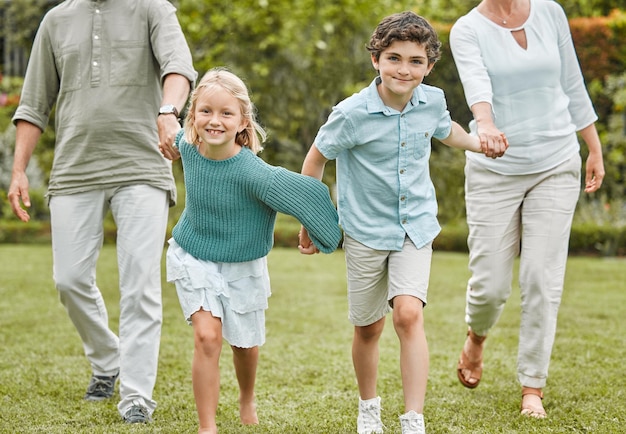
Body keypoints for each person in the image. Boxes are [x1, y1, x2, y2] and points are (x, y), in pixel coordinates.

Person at [298, 11, 505, 434]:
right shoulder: (352, 113)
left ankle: (414, 418)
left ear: (429, 66)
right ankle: (368, 407)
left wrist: (479, 144)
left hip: (415, 227)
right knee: (369, 327)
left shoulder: (431, 101)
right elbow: (316, 159)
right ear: (376, 59)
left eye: (415, 61)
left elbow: (447, 131)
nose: (404, 69)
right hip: (365, 232)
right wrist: (310, 217)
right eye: (394, 58)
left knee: (408, 315)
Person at [7, 0, 197, 424]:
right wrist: (19, 170)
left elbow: (178, 67)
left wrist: (168, 111)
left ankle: (135, 396)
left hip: (142, 164)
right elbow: (34, 103)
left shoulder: (153, 9)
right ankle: (108, 357)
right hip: (75, 166)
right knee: (69, 279)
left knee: (140, 284)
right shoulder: (55, 20)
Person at [163, 67, 342, 434]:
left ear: (243, 120)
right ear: (193, 114)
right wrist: (165, 120)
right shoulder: (187, 146)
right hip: (193, 254)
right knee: (207, 336)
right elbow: (171, 133)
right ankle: (207, 427)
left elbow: (308, 194)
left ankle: (247, 398)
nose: (215, 121)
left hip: (243, 264)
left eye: (226, 113)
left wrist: (318, 232)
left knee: (244, 345)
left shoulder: (255, 173)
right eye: (206, 111)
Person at [449, 0, 605, 419]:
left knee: (542, 277)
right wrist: (485, 123)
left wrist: (593, 145)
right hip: (494, 168)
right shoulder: (467, 29)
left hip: (555, 162)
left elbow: (572, 82)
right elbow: (477, 86)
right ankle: (476, 337)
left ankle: (532, 386)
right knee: (491, 286)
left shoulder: (550, 12)